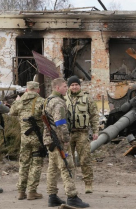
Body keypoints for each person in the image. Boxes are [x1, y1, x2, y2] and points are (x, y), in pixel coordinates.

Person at [43, 78, 89, 208]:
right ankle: (72, 196)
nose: (66, 88)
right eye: (64, 86)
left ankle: (52, 196)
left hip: (49, 140)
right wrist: (66, 139)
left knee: (52, 168)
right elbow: (60, 123)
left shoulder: (48, 100)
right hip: (58, 140)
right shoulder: (58, 102)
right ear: (57, 88)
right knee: (67, 167)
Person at [9, 81, 45, 200]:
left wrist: (17, 101)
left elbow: (11, 112)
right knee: (36, 164)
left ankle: (21, 192)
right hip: (37, 138)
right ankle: (32, 192)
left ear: (26, 90)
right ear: (38, 90)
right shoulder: (41, 101)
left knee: (24, 164)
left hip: (24, 138)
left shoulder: (19, 102)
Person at [65, 76, 99, 194]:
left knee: (85, 159)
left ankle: (88, 184)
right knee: (68, 161)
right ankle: (70, 185)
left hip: (82, 133)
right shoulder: (64, 98)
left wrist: (95, 131)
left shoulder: (87, 98)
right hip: (67, 134)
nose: (74, 87)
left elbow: (94, 115)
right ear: (69, 86)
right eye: (72, 85)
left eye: (76, 85)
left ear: (80, 86)